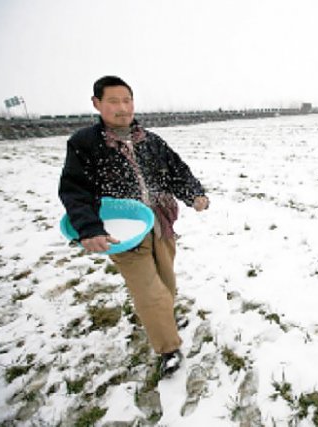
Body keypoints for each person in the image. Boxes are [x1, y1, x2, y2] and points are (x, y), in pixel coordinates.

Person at [58, 76, 209, 378]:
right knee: (149, 291)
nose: (122, 107)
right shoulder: (85, 144)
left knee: (166, 282)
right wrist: (89, 229)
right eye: (113, 101)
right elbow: (75, 191)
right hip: (122, 232)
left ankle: (164, 318)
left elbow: (176, 170)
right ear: (96, 104)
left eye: (127, 100)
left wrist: (194, 193)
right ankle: (168, 348)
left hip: (160, 224)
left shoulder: (150, 141)